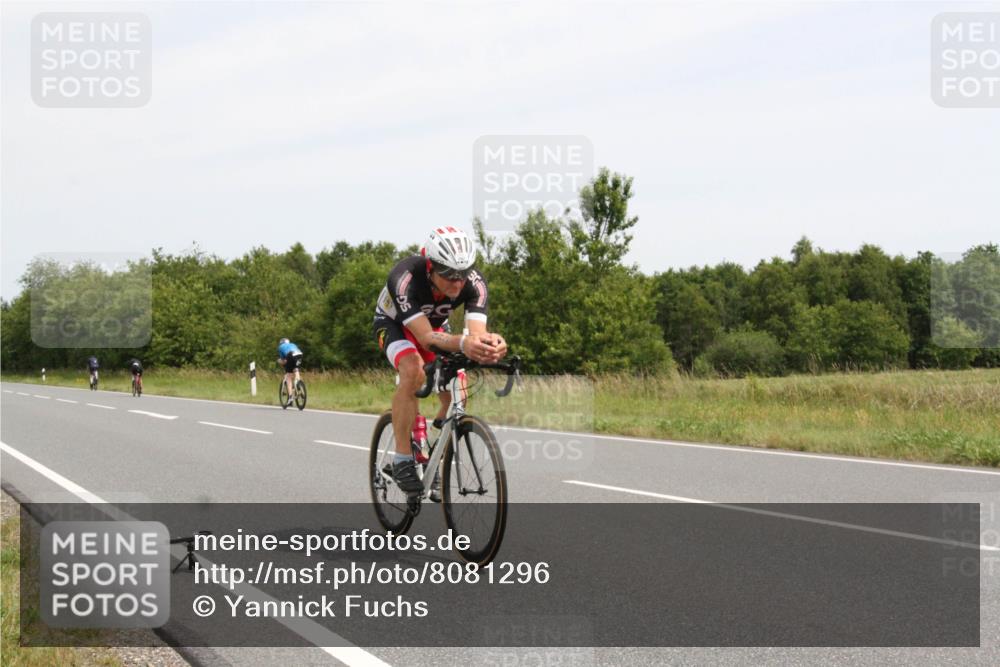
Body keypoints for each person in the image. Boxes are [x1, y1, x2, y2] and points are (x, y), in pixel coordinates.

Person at [372, 227, 507, 499]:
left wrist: (490, 345)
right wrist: (463, 343)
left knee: (458, 384)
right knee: (413, 370)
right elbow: (424, 337)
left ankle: (432, 454)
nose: (458, 283)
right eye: (449, 275)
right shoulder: (405, 277)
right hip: (396, 325)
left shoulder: (474, 282)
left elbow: (475, 335)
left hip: (435, 327)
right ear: (431, 267)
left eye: (464, 274)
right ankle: (402, 460)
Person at [277, 338, 303, 407]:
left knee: (288, 376)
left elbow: (284, 360)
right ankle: (298, 383)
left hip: (290, 355)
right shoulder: (293, 344)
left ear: (281, 343)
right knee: (296, 368)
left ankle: (290, 397)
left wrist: (279, 361)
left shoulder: (280, 347)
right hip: (299, 354)